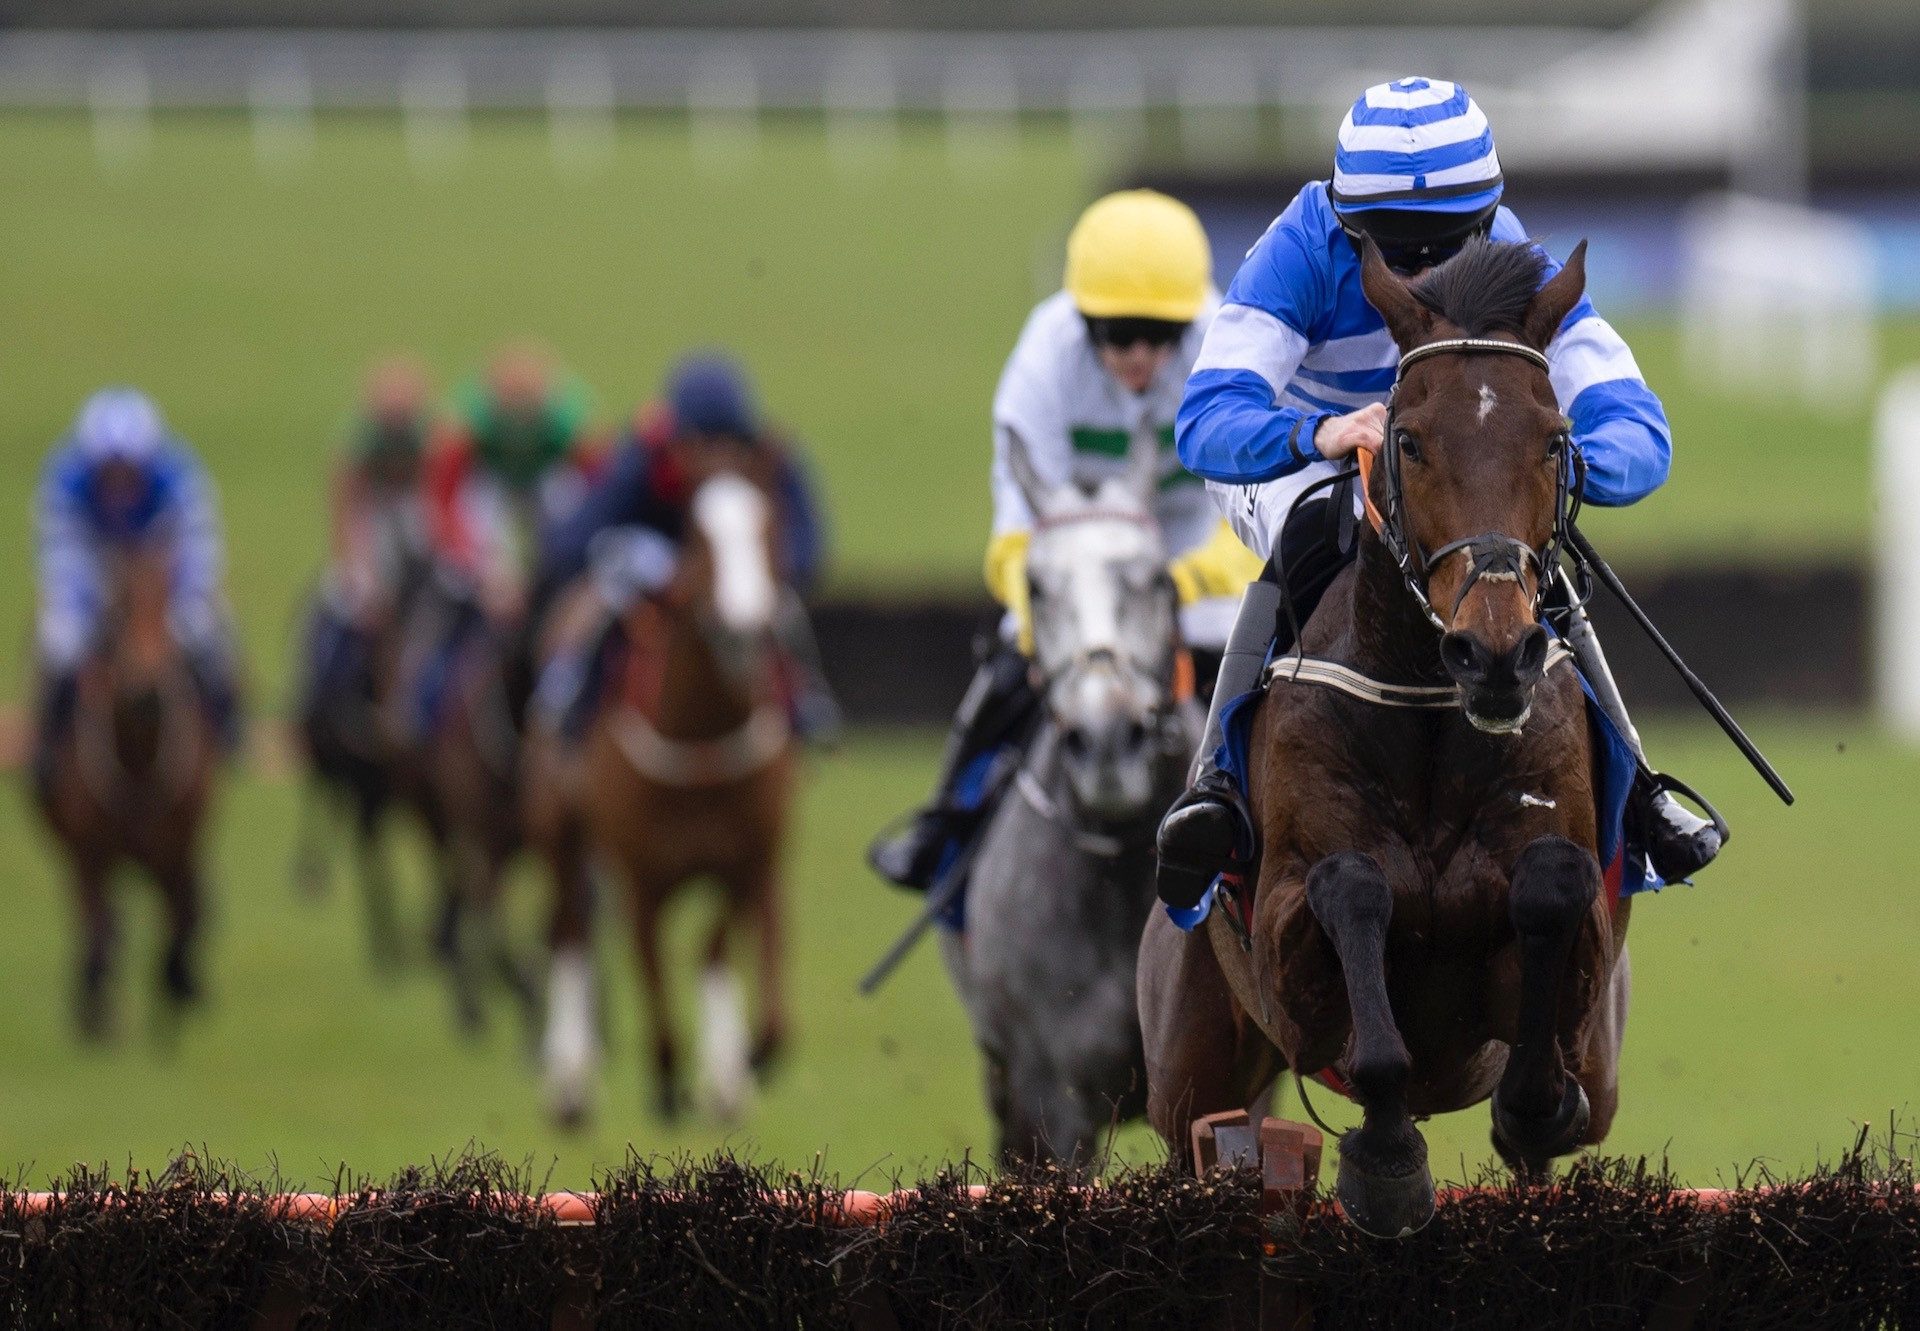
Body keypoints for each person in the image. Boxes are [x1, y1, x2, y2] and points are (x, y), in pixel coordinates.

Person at [1152, 76, 1721, 911]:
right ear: (1349, 226)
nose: (1419, 275)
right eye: (1393, 249)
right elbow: (1206, 421)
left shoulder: (1514, 260)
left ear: (1486, 226)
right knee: (1319, 524)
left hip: (1455, 466)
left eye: (1443, 247)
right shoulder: (1301, 250)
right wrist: (1317, 436)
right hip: (1305, 458)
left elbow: (1638, 427)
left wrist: (1560, 470)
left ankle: (1637, 792)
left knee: (1527, 546)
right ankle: (1217, 787)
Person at [867, 189, 1265, 892]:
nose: (1139, 354)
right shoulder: (1042, 359)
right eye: (1116, 333)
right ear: (1082, 321)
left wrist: (1188, 580)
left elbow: (1254, 501)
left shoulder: (1228, 348)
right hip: (1076, 548)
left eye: (1159, 334)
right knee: (1019, 649)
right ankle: (946, 822)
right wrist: (1049, 590)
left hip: (1192, 541)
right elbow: (1016, 520)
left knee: (1250, 657)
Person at [528, 353, 839, 744]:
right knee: (596, 609)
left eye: (727, 441)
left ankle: (804, 699)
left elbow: (807, 537)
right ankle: (568, 697)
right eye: (699, 442)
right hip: (655, 562)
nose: (713, 455)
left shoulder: (771, 457)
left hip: (729, 566)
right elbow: (582, 530)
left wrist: (779, 570)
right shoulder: (644, 453)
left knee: (784, 614)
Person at [32, 388, 242, 789]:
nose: (119, 481)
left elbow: (199, 549)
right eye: (109, 471)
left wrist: (180, 613)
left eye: (129, 471)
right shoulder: (65, 483)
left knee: (213, 633)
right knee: (58, 643)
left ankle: (227, 728)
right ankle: (48, 742)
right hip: (93, 568)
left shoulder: (179, 479)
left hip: (160, 576)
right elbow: (61, 557)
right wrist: (86, 617)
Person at [398, 345, 603, 741]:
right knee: (448, 597)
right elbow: (444, 498)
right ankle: (420, 710)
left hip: (547, 482)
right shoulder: (468, 421)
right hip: (488, 487)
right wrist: (483, 573)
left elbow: (594, 491)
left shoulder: (570, 421)